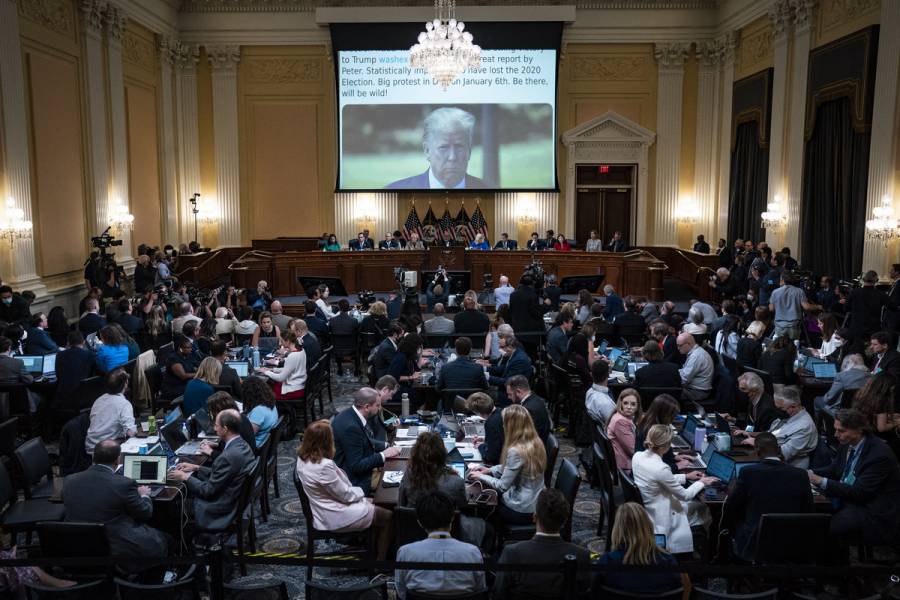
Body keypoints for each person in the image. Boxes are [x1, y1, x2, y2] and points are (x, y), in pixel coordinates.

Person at [295, 420, 393, 560]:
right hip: (334, 513)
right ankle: (380, 563)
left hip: (326, 506)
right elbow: (345, 495)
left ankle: (370, 549)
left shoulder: (302, 459)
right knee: (387, 516)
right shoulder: (324, 466)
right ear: (326, 441)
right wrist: (361, 492)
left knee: (380, 504)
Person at [63, 440, 171, 560]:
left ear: (93, 456)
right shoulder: (124, 483)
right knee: (165, 540)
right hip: (115, 543)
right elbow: (145, 513)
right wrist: (144, 495)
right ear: (117, 460)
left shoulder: (69, 480)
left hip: (77, 544)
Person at [809, 409, 900, 546]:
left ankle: (836, 564)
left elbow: (860, 493)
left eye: (841, 431)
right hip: (849, 499)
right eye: (836, 430)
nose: (836, 435)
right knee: (809, 513)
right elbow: (834, 470)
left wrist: (819, 480)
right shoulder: (847, 443)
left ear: (859, 430)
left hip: (871, 510)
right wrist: (807, 472)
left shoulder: (879, 455)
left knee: (824, 529)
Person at [721, 432, 814, 561]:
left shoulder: (748, 472)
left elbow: (731, 505)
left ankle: (722, 564)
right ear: (778, 449)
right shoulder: (800, 474)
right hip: (792, 539)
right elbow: (808, 509)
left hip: (755, 539)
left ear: (757, 450)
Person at [493, 488, 592, 599]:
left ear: (535, 517)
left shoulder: (512, 553)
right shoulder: (583, 556)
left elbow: (498, 593)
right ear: (565, 520)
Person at [632, 424, 715, 556]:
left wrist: (685, 476)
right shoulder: (661, 468)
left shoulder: (637, 456)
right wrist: (702, 482)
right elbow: (685, 495)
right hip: (661, 514)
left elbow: (656, 479)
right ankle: (704, 551)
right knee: (703, 509)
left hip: (648, 505)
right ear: (665, 447)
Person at [169, 409, 256, 531]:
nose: (214, 429)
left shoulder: (227, 456)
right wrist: (197, 468)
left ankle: (184, 544)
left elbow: (208, 491)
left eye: (216, 425)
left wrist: (185, 477)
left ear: (225, 429)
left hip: (220, 507)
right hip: (234, 497)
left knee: (172, 506)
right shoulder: (242, 444)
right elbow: (224, 473)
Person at [398, 431, 488, 548]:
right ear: (443, 454)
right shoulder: (456, 481)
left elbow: (401, 503)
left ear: (415, 453)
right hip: (448, 530)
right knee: (487, 528)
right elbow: (463, 505)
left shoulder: (409, 476)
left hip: (414, 531)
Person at [394, 491, 485, 599]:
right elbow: (480, 590)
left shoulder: (405, 553)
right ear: (452, 517)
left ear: (419, 523)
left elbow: (401, 592)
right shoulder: (473, 552)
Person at [469, 404, 546, 525]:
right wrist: (490, 470)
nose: (502, 425)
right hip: (536, 501)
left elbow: (502, 486)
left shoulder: (516, 450)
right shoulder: (536, 441)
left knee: (483, 511)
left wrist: (480, 476)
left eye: (504, 422)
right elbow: (513, 467)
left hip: (521, 508)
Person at [386, 107, 490, 189]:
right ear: (427, 151)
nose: (452, 157)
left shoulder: (491, 194)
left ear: (469, 151)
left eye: (459, 146)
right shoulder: (393, 195)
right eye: (443, 147)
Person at [594, 502, 682, 595]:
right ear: (648, 526)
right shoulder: (668, 561)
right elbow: (678, 590)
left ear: (617, 529)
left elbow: (595, 591)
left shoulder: (607, 561)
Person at [332, 388, 401, 494]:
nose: (379, 409)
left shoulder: (349, 414)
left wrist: (386, 445)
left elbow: (363, 441)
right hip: (354, 480)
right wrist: (383, 455)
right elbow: (356, 466)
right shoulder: (351, 427)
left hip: (357, 468)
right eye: (377, 406)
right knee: (400, 480)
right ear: (367, 407)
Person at [738, 386, 818, 468]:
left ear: (793, 406)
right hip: (767, 456)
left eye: (781, 408)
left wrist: (757, 442)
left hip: (788, 466)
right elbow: (772, 434)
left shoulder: (804, 427)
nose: (777, 411)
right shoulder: (787, 416)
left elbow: (783, 454)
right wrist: (751, 434)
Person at [84, 369, 136, 453]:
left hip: (91, 447)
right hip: (107, 450)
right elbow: (131, 433)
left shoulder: (98, 400)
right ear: (125, 384)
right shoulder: (124, 404)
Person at [814, 353, 870, 420]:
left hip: (841, 412)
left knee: (817, 400)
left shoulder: (841, 376)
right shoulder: (871, 377)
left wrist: (826, 396)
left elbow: (829, 400)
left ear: (848, 364)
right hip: (862, 412)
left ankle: (820, 426)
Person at [257, 330, 307, 400]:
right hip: (298, 385)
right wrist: (272, 369)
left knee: (265, 393)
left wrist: (266, 372)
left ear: (288, 341)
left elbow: (281, 378)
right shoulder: (302, 350)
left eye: (282, 341)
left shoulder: (292, 356)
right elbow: (289, 369)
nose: (280, 344)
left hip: (293, 389)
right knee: (268, 386)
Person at [846, 270, 895, 338]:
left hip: (856, 327)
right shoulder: (881, 294)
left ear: (863, 280)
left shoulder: (854, 292)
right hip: (872, 329)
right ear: (876, 280)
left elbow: (846, 307)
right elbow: (892, 306)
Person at [505, 375, 551, 447]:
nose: (508, 397)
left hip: (532, 451)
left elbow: (521, 438)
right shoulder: (536, 398)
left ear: (518, 391)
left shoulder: (528, 409)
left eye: (510, 394)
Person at [608, 388, 642, 471]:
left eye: (633, 404)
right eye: (625, 403)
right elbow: (633, 451)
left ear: (638, 407)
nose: (629, 407)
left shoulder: (620, 416)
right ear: (621, 404)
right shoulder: (621, 421)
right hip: (626, 466)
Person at [468, 391, 504, 465]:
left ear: (478, 412)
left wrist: (480, 446)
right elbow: (501, 437)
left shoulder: (490, 423)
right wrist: (485, 439)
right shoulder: (501, 411)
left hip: (499, 463)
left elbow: (491, 457)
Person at [161, 334, 200, 401]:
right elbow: (183, 376)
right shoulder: (174, 359)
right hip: (173, 389)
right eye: (188, 348)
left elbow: (193, 366)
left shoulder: (187, 356)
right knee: (198, 389)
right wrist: (199, 373)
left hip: (183, 384)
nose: (190, 349)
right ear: (180, 349)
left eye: (191, 347)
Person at [677, 332, 714, 402]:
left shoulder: (696, 356)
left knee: (669, 393)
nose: (678, 348)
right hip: (695, 389)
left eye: (680, 345)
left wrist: (670, 380)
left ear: (689, 344)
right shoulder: (695, 352)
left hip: (698, 392)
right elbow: (685, 372)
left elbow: (684, 380)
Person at [585, 359, 616, 426]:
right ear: (608, 374)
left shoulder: (589, 392)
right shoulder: (605, 403)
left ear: (591, 374)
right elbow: (616, 425)